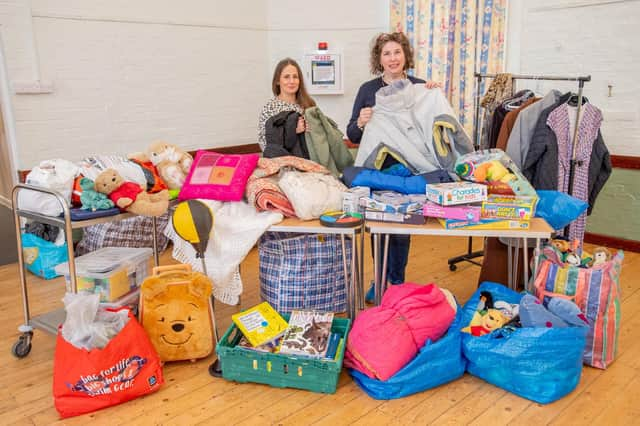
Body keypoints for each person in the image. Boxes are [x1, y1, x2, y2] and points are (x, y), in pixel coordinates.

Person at [347, 32, 441, 302]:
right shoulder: (368, 90)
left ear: (405, 56)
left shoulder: (421, 87)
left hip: (411, 171)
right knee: (379, 224)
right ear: (379, 58)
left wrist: (433, 97)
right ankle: (380, 279)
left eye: (397, 52)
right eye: (386, 53)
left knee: (402, 229)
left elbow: (433, 131)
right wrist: (362, 122)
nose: (392, 58)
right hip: (380, 170)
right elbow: (352, 134)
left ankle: (397, 282)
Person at [258, 58, 316, 151]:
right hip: (283, 162)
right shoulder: (270, 108)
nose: (292, 81)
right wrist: (293, 131)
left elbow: (319, 138)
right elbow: (265, 144)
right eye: (286, 77)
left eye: (295, 77)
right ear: (277, 81)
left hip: (310, 160)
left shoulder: (308, 104)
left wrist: (313, 130)